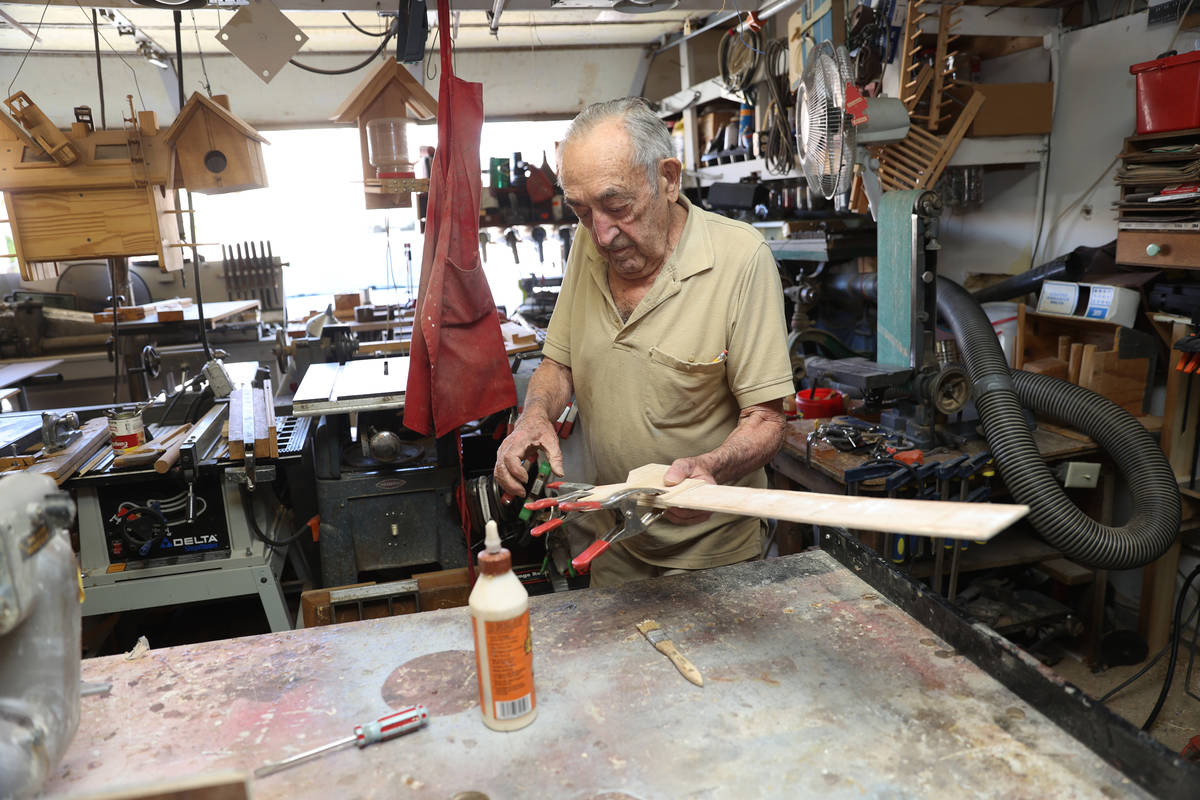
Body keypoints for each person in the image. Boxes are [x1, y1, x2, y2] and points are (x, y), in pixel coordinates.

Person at [493, 97, 793, 587]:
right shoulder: (587, 247)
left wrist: (712, 466)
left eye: (617, 206)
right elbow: (558, 365)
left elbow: (766, 418)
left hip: (713, 555)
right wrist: (534, 417)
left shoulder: (741, 259)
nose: (603, 234)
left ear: (668, 180)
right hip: (613, 541)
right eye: (582, 211)